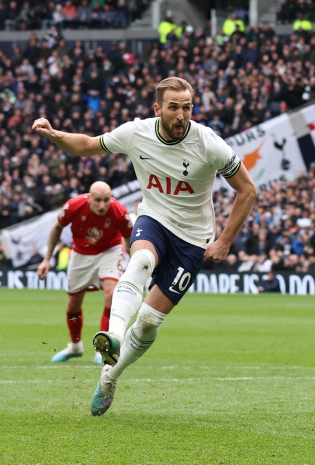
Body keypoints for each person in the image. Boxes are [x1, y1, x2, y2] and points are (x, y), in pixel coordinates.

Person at [32, 76, 257, 416]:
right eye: (173, 108)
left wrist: (225, 240)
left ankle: (110, 374)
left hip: (193, 239)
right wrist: (54, 135)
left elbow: (248, 189)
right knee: (139, 263)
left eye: (187, 107)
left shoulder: (208, 143)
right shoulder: (136, 133)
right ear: (158, 109)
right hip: (153, 218)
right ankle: (114, 335)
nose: (181, 115)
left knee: (150, 320)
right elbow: (87, 145)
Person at [36, 182, 133, 364]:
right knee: (73, 304)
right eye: (98, 200)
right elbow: (57, 228)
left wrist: (137, 264)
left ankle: (103, 349)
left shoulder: (119, 211)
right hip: (81, 253)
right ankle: (75, 346)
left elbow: (130, 237)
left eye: (106, 200)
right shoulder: (73, 206)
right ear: (89, 198)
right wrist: (47, 258)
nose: (102, 205)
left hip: (110, 251)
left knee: (111, 294)